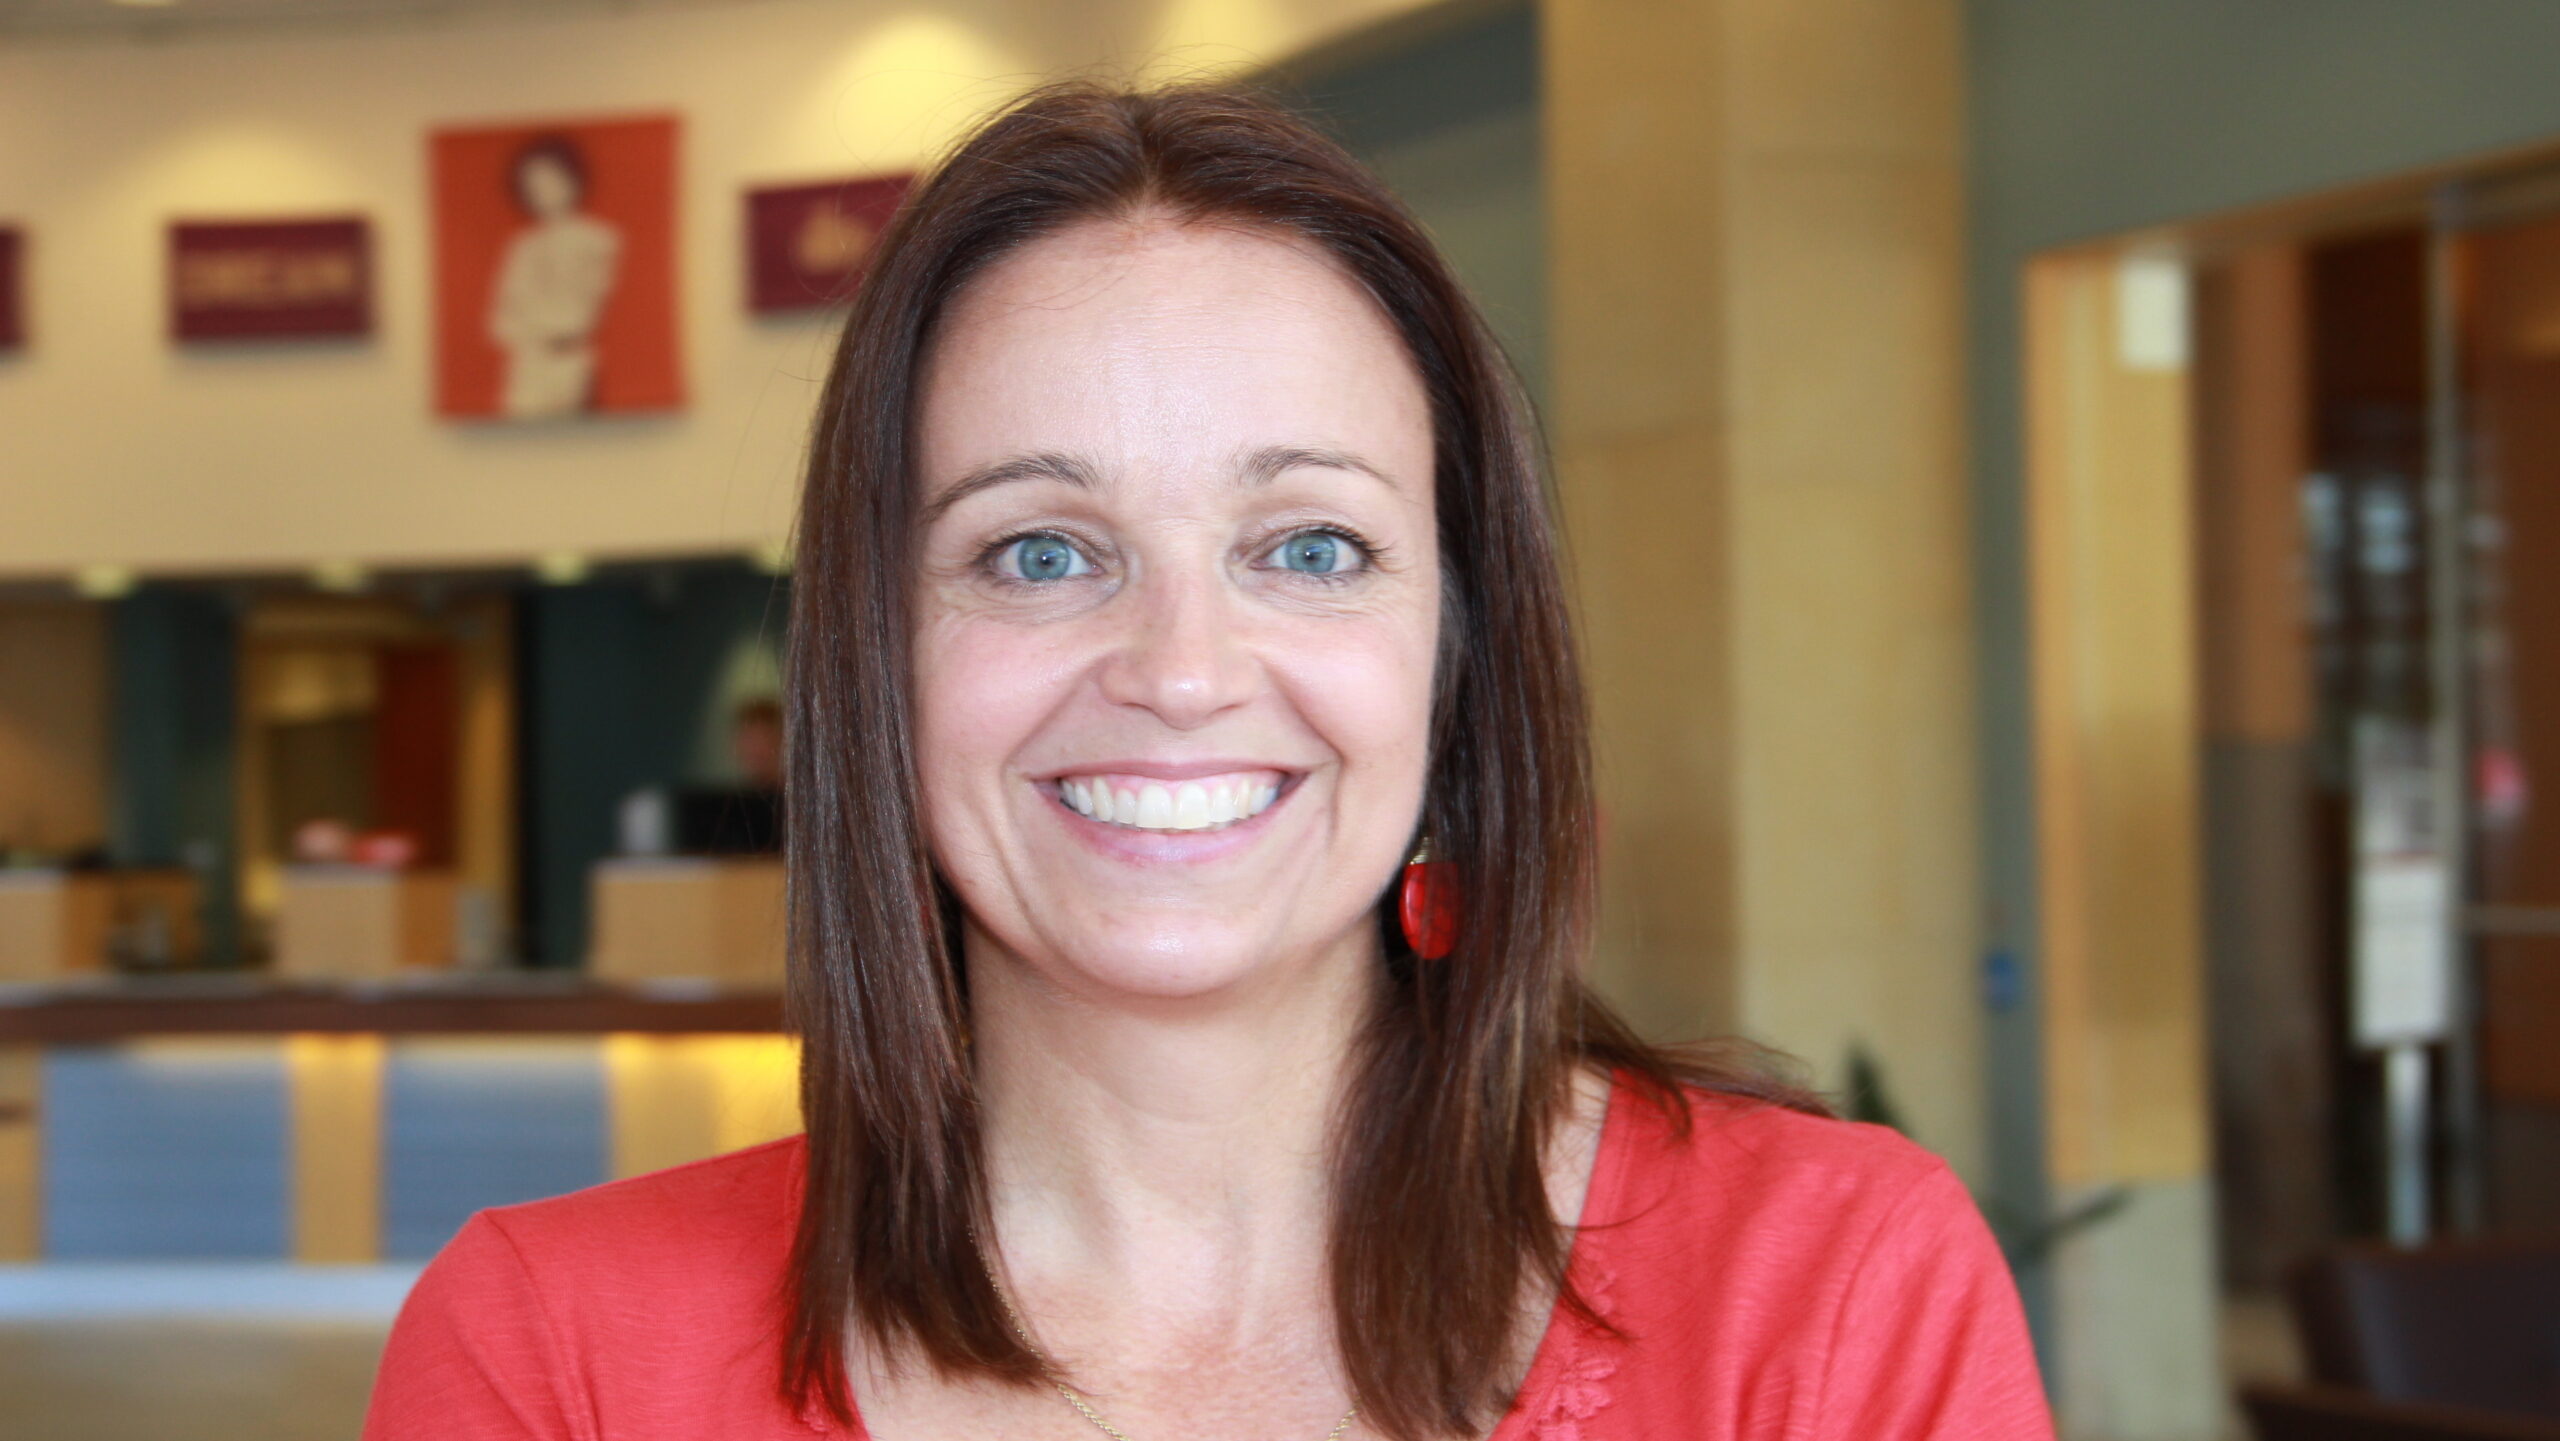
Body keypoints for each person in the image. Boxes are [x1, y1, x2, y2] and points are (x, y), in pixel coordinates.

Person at [365, 83, 2053, 1440]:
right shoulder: (555, 1362)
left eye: (1308, 546)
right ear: (876, 659)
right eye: (1039, 552)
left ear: (1458, 656)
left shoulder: (1831, 1287)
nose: (1178, 671)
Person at [488, 134, 620, 419]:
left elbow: (592, 310)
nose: (544, 192)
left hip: (572, 363)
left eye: (551, 180)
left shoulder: (599, 240)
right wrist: (531, 334)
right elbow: (501, 318)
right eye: (534, 185)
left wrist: (553, 328)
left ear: (571, 178)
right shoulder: (522, 248)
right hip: (529, 367)